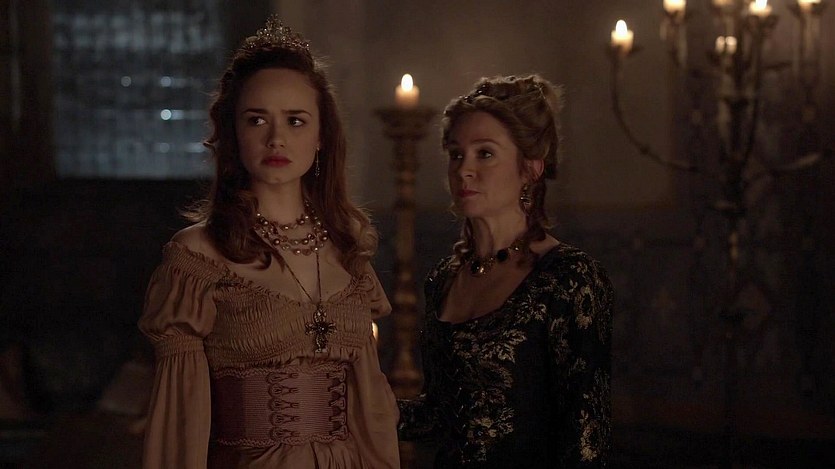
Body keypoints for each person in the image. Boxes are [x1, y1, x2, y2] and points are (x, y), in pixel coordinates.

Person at [138, 16, 399, 468]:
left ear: (321, 136)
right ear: (233, 133)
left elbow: (371, 413)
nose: (276, 138)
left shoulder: (350, 250)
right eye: (257, 120)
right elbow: (180, 421)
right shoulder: (197, 257)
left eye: (295, 121)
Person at [397, 75, 614, 468]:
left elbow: (586, 441)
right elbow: (439, 416)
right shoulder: (443, 279)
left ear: (530, 168)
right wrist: (361, 403)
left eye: (485, 154)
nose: (464, 170)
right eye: (456, 154)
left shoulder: (569, 279)